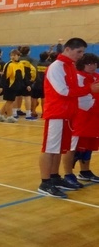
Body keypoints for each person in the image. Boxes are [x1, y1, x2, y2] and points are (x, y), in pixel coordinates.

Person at [38, 38, 99, 198]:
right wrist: (89, 89)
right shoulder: (56, 67)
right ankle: (45, 182)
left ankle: (54, 177)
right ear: (67, 49)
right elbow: (63, 91)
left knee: (59, 149)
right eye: (79, 51)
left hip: (68, 114)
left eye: (83, 52)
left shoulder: (70, 66)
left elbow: (73, 89)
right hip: (56, 113)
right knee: (49, 148)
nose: (81, 55)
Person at [62, 53, 99, 185]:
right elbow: (80, 100)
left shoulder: (96, 77)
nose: (92, 66)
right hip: (80, 118)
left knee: (88, 146)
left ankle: (85, 171)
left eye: (94, 63)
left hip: (94, 119)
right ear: (82, 64)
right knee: (72, 147)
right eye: (89, 64)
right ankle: (68, 174)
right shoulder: (78, 77)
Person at [0, 49, 27, 123]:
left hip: (16, 86)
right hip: (9, 86)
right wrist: (0, 86)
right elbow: (4, 76)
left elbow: (23, 76)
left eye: (15, 55)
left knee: (9, 101)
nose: (13, 57)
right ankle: (10, 117)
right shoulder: (9, 64)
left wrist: (27, 84)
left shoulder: (20, 64)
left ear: (19, 56)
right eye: (11, 55)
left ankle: (0, 116)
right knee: (10, 101)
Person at [17, 45, 37, 120]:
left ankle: (15, 112)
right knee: (27, 97)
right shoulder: (31, 60)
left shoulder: (17, 59)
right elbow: (34, 70)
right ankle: (28, 114)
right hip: (27, 81)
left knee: (17, 96)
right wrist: (32, 80)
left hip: (17, 80)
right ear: (29, 52)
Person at [30, 51, 51, 118]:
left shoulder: (35, 63)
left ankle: (33, 112)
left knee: (34, 98)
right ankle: (43, 112)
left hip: (35, 83)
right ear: (47, 57)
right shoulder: (49, 64)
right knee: (43, 98)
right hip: (44, 84)